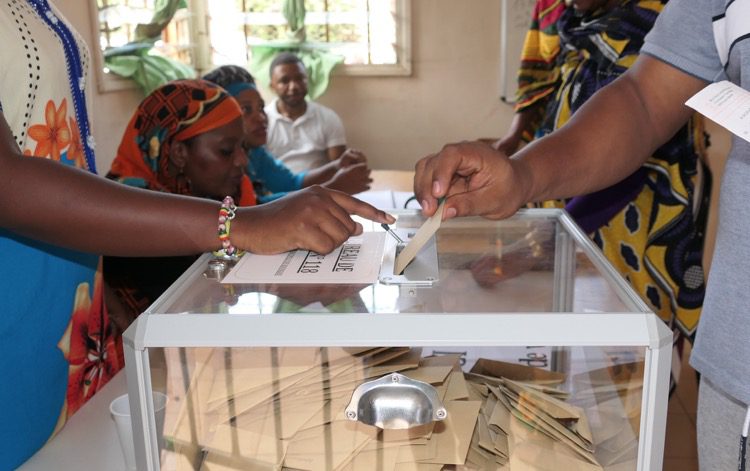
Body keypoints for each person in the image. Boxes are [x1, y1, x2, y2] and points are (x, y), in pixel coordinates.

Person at [0, 3, 393, 469]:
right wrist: (240, 223)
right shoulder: (155, 204)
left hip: (72, 322)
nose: (242, 162)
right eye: (228, 149)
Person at [413, 0, 748, 467]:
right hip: (737, 362)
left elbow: (641, 173)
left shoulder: (642, 15)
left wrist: (530, 245)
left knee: (615, 400)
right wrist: (520, 174)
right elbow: (644, 101)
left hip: (631, 247)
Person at [496, 0, 710, 392]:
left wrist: (538, 249)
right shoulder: (575, 23)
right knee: (563, 367)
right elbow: (542, 88)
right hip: (570, 226)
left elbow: (629, 171)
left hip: (626, 238)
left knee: (617, 388)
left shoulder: (657, 32)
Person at [103, 78, 254, 325]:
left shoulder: (210, 194)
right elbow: (204, 300)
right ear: (179, 153)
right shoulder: (133, 215)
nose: (242, 160)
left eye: (243, 147)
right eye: (227, 151)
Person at [202, 65, 372, 203]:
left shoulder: (254, 152)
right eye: (246, 110)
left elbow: (291, 183)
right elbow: (255, 209)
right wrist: (334, 189)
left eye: (261, 108)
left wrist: (336, 167)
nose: (260, 118)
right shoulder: (220, 161)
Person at [265, 52, 360, 173]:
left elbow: (339, 169)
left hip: (319, 188)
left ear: (307, 80)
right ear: (272, 86)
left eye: (299, 78)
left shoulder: (327, 117)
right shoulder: (262, 122)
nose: (293, 86)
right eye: (285, 81)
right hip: (278, 190)